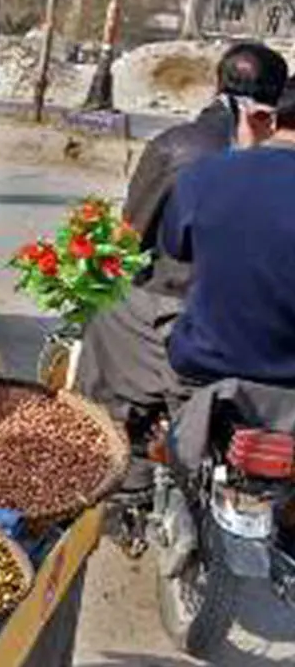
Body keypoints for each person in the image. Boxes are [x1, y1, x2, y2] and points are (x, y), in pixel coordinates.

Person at [75, 42, 288, 489]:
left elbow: (138, 242)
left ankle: (114, 475)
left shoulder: (194, 161)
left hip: (200, 338)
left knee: (109, 318)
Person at [160, 79, 295, 388]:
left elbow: (176, 247)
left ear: (271, 117)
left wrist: (243, 154)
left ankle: (124, 426)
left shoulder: (205, 173)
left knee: (118, 314)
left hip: (207, 364)